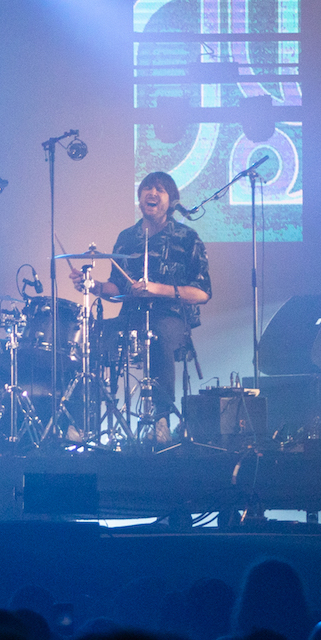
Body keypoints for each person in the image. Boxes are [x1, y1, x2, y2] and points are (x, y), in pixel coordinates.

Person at [73, 171, 211, 442]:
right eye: (147, 188)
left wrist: (159, 289)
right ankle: (84, 421)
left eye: (160, 189)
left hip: (172, 317)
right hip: (131, 315)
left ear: (171, 200)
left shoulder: (187, 237)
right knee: (88, 337)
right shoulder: (127, 238)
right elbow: (117, 288)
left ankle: (161, 422)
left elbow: (203, 293)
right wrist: (96, 287)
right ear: (139, 199)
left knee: (157, 334)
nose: (152, 193)